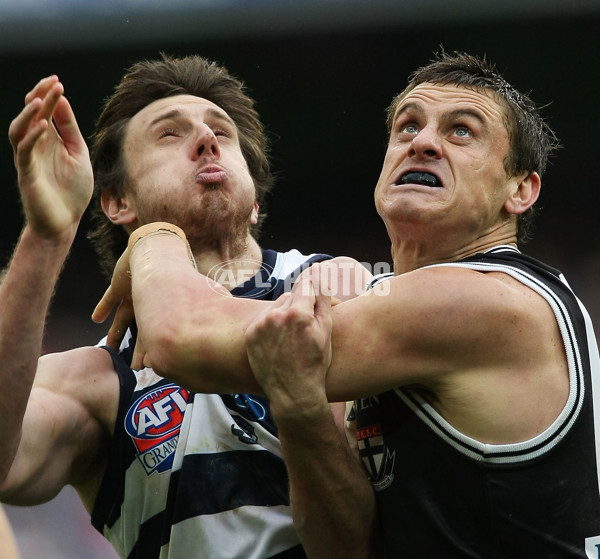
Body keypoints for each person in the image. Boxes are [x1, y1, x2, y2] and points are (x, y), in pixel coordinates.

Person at [95, 51, 600, 558]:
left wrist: (154, 238)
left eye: (462, 131)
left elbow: (180, 338)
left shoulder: (483, 300)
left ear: (521, 188)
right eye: (406, 127)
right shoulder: (402, 308)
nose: (422, 143)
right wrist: (300, 412)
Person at [0, 54, 367, 559]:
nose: (207, 139)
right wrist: (46, 236)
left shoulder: (330, 283)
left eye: (222, 131)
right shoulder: (100, 380)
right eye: (169, 134)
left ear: (255, 197)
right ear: (116, 202)